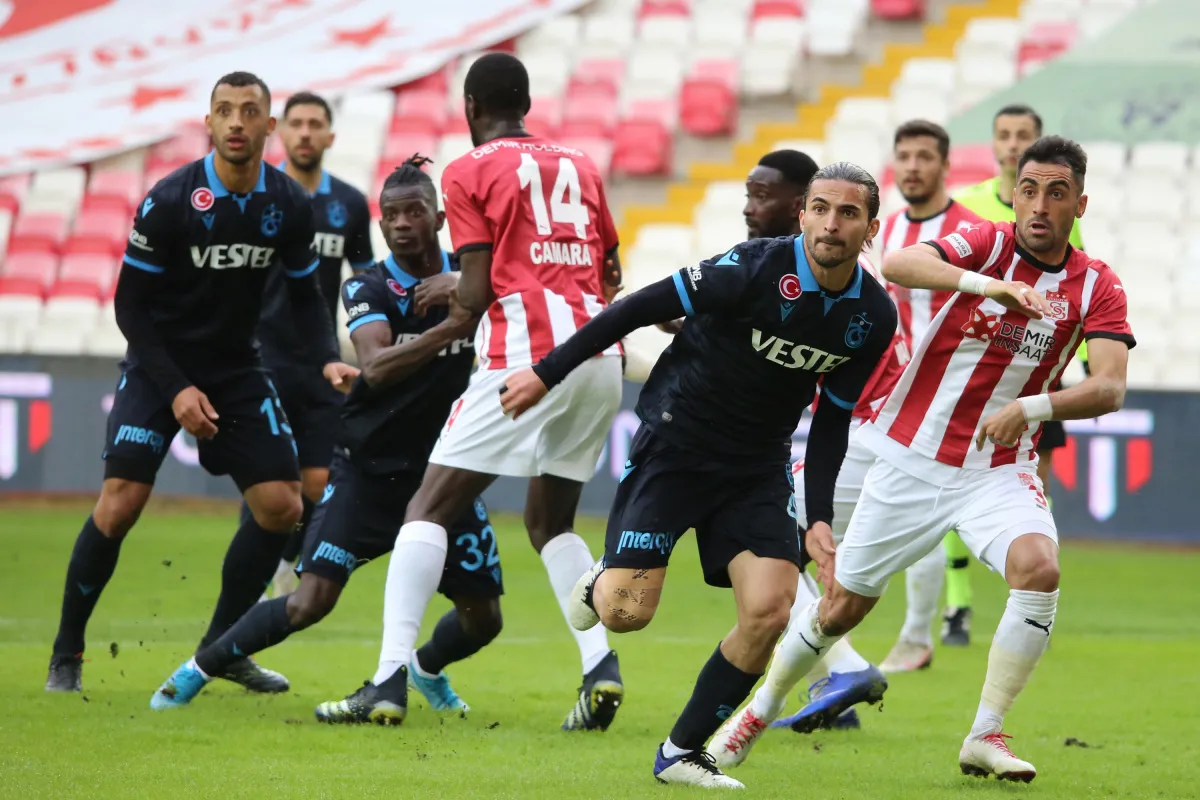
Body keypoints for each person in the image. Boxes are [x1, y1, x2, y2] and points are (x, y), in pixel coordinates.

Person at [745, 136, 1133, 782]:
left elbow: (1110, 386)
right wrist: (990, 286)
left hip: (997, 467)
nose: (1038, 204)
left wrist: (1030, 409)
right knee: (841, 606)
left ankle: (986, 732)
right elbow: (897, 262)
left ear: (1080, 204)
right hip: (910, 454)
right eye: (1029, 189)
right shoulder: (986, 243)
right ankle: (758, 711)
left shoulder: (1097, 285)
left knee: (1039, 569)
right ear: (1015, 194)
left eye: (1057, 193)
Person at [502, 162, 898, 788]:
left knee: (769, 610)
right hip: (677, 442)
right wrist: (545, 372)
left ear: (870, 229)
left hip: (756, 465)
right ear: (802, 214)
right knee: (626, 614)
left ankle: (681, 752)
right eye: (821, 208)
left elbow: (830, 424)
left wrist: (818, 517)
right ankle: (597, 584)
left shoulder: (873, 318)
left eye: (849, 213)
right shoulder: (753, 267)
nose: (831, 223)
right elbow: (633, 309)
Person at [149, 156, 503, 717]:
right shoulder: (368, 287)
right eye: (391, 216)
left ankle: (423, 669)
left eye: (415, 212)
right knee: (309, 601)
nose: (403, 223)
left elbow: (522, 288)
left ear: (439, 218)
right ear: (380, 226)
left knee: (485, 617)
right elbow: (378, 365)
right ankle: (196, 670)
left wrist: (467, 287)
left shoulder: (477, 277)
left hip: (444, 476)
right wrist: (454, 325)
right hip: (369, 472)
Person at [45, 72, 358, 694]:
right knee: (121, 502)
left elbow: (306, 299)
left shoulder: (288, 205)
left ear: (268, 126)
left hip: (239, 369)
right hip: (159, 365)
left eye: (249, 111)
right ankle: (66, 653)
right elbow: (131, 310)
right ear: (208, 124)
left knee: (282, 506)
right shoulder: (168, 201)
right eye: (224, 111)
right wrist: (176, 388)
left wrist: (327, 356)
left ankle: (222, 650)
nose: (236, 122)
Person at [345, 52, 627, 732]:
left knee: (428, 506)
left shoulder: (470, 169)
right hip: (600, 354)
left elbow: (470, 300)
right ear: (525, 103)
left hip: (524, 359)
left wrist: (451, 289)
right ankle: (600, 668)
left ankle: (386, 679)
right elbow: (609, 266)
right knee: (550, 523)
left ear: (470, 108)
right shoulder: (582, 164)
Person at [945, 105, 1087, 646]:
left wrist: (1091, 365)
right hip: (972, 373)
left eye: (1021, 135)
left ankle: (1029, 599)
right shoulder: (971, 208)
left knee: (1032, 486)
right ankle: (957, 607)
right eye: (1003, 136)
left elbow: (1078, 291)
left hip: (1038, 376)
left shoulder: (1067, 216)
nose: (1011, 144)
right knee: (953, 486)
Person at [873, 120, 985, 673]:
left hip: (947, 395)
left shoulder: (972, 230)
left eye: (924, 156)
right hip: (888, 395)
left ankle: (916, 636)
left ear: (945, 165)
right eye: (905, 156)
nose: (913, 166)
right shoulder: (887, 229)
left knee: (920, 513)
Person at [256, 90, 374, 599]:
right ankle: (258, 585)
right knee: (265, 482)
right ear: (281, 131)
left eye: (314, 124)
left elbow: (365, 279)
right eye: (296, 123)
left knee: (320, 485)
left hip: (321, 363)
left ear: (330, 136)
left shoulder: (347, 204)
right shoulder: (257, 194)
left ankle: (283, 567)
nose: (305, 133)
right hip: (258, 361)